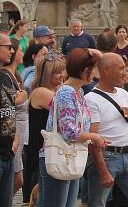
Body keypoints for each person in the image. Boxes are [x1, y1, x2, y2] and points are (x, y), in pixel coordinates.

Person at [36, 48, 107, 207]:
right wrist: (94, 137)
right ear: (85, 71)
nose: (96, 73)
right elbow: (68, 131)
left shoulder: (78, 91)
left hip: (70, 156)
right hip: (61, 155)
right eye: (94, 68)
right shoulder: (67, 92)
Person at [85, 53, 128, 207]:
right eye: (121, 68)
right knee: (97, 204)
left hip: (127, 156)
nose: (125, 72)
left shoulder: (123, 94)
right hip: (106, 156)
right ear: (107, 70)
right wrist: (102, 171)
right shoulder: (91, 99)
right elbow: (92, 138)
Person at [24, 52, 65, 204]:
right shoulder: (41, 92)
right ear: (47, 75)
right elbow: (65, 110)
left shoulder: (54, 91)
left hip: (51, 151)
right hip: (43, 152)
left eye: (63, 70)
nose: (62, 75)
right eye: (57, 72)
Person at [4, 38, 27, 196]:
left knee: (17, 179)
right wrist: (20, 98)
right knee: (17, 180)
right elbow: (8, 103)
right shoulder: (5, 75)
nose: (21, 53)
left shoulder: (15, 75)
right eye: (20, 50)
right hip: (11, 134)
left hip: (17, 133)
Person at [0, 33, 18, 207]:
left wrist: (16, 136)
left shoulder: (4, 76)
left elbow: (11, 111)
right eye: (8, 47)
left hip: (8, 151)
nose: (11, 50)